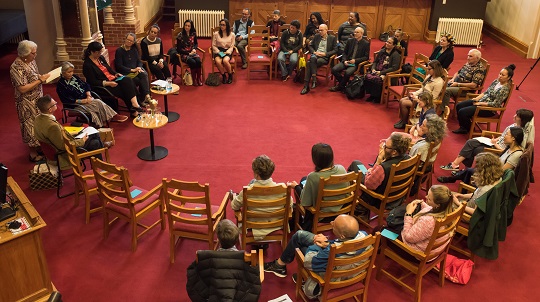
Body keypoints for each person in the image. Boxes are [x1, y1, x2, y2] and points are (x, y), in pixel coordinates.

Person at [263, 215, 368, 283]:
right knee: (300, 236)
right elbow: (341, 245)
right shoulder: (365, 237)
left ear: (342, 236)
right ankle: (280, 265)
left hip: (329, 270)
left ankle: (279, 266)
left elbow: (309, 262)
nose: (331, 223)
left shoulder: (330, 252)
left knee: (300, 243)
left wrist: (318, 245)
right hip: (340, 256)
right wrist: (324, 242)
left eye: (334, 225)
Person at [440, 108, 534, 171]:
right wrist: (497, 139)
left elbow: (507, 151)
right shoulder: (514, 125)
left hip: (498, 150)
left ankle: (461, 169)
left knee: (475, 149)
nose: (514, 116)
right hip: (496, 143)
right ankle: (456, 165)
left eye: (517, 116)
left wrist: (495, 144)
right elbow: (504, 136)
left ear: (522, 120)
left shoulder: (520, 134)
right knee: (471, 142)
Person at [349, 133, 412, 218]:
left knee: (355, 165)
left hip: (378, 199)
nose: (383, 147)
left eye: (385, 146)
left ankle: (361, 208)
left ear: (394, 152)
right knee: (357, 164)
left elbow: (368, 184)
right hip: (398, 197)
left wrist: (378, 161)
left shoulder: (383, 168)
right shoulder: (409, 159)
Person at [33, 95, 105, 170]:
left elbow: (56, 137)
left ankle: (101, 161)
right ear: (50, 109)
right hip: (64, 153)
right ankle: (101, 161)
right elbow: (63, 146)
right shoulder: (52, 126)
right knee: (95, 141)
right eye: (55, 104)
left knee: (93, 135)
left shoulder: (38, 118)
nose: (57, 105)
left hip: (58, 145)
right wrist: (82, 140)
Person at [231, 155, 292, 241]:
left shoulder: (247, 190)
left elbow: (234, 206)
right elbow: (290, 205)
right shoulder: (283, 188)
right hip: (275, 225)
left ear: (256, 174)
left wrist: (235, 197)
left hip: (253, 227)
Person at [10, 40, 50, 162]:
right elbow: (22, 88)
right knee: (29, 126)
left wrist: (41, 77)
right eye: (33, 53)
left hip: (37, 98)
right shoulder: (16, 67)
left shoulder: (30, 61)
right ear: (24, 54)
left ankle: (39, 147)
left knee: (38, 123)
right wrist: (40, 81)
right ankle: (32, 154)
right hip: (26, 102)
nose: (35, 55)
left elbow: (35, 75)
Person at [439, 127, 524, 184]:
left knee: (470, 170)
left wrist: (486, 170)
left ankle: (457, 182)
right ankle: (455, 178)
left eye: (507, 134)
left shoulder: (516, 154)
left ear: (513, 138)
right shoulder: (509, 147)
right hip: (494, 169)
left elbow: (502, 172)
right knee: (470, 170)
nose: (504, 137)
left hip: (496, 178)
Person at [56, 62, 127, 127]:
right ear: (63, 73)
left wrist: (88, 95)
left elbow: (86, 85)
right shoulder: (61, 85)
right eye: (69, 72)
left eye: (72, 71)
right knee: (96, 104)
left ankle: (110, 117)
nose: (71, 73)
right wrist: (84, 101)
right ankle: (102, 122)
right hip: (75, 105)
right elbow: (67, 100)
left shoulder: (74, 77)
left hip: (87, 99)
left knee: (98, 102)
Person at [83, 41, 144, 116]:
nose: (100, 54)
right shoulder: (87, 65)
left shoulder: (100, 58)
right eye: (98, 52)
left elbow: (109, 69)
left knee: (127, 79)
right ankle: (134, 110)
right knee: (124, 89)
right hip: (103, 85)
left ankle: (135, 104)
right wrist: (108, 83)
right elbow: (92, 82)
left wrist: (115, 74)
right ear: (92, 52)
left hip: (112, 79)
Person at [295, 143, 347, 231]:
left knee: (298, 186)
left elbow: (305, 202)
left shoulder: (313, 177)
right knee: (304, 180)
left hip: (322, 215)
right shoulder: (341, 168)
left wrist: (296, 187)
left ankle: (302, 223)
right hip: (343, 210)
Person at [453, 64, 515, 134]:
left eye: (503, 75)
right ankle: (466, 125)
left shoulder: (504, 89)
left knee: (462, 111)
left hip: (488, 109)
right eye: (500, 74)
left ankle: (466, 129)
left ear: (508, 77)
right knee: (459, 105)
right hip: (481, 101)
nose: (500, 76)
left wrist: (480, 103)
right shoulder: (496, 81)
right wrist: (476, 98)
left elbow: (496, 104)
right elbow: (486, 92)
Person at [399, 185, 456, 258]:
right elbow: (432, 210)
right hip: (434, 252)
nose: (425, 197)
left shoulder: (429, 221)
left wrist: (408, 213)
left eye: (429, 198)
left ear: (437, 205)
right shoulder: (450, 212)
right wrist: (422, 204)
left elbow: (408, 237)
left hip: (417, 254)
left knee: (383, 230)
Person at [394, 60, 445, 129]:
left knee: (404, 103)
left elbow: (433, 97)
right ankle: (403, 120)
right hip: (421, 97)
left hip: (427, 103)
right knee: (401, 100)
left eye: (429, 69)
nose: (427, 70)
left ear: (435, 69)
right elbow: (422, 89)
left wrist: (418, 98)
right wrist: (414, 93)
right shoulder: (429, 76)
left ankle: (404, 122)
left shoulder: (439, 82)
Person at [329, 26, 370, 92]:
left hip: (355, 64)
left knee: (347, 73)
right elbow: (344, 52)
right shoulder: (350, 41)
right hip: (347, 61)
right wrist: (344, 60)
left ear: (362, 34)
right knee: (334, 70)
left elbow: (366, 57)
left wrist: (355, 61)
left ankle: (340, 86)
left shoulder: (366, 44)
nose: (355, 34)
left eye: (357, 32)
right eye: (354, 32)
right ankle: (345, 84)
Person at [300, 24, 337, 95]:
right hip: (316, 55)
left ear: (326, 30)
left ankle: (307, 86)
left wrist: (325, 54)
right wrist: (314, 52)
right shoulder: (317, 36)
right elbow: (310, 45)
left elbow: (335, 50)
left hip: (324, 58)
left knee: (309, 62)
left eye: (322, 30)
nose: (320, 32)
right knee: (312, 59)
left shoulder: (332, 38)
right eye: (319, 30)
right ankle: (312, 81)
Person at [114, 33, 151, 103]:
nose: (129, 42)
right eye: (128, 40)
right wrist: (132, 70)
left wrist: (139, 67)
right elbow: (119, 66)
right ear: (125, 39)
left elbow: (139, 61)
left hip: (135, 71)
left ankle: (146, 95)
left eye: (131, 41)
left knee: (143, 74)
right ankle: (141, 100)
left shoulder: (134, 49)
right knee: (139, 80)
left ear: (133, 42)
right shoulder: (119, 51)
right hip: (126, 73)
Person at [363, 36, 401, 103]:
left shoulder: (396, 55)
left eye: (389, 43)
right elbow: (375, 61)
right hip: (377, 70)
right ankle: (372, 95)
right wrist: (373, 69)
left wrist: (381, 72)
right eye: (387, 42)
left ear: (394, 45)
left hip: (387, 73)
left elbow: (394, 68)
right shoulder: (382, 51)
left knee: (377, 79)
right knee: (367, 76)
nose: (387, 43)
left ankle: (377, 97)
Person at [176, 20, 203, 86]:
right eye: (186, 25)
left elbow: (196, 43)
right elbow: (178, 49)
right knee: (192, 62)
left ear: (191, 27)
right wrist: (188, 54)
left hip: (192, 52)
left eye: (188, 26)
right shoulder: (180, 35)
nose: (187, 27)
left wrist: (194, 48)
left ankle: (198, 78)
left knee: (198, 61)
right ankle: (194, 79)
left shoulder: (193, 33)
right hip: (184, 53)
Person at [212, 18, 236, 84]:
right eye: (221, 25)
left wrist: (228, 52)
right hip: (218, 51)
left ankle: (230, 75)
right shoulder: (216, 34)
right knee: (218, 61)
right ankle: (224, 76)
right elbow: (213, 45)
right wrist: (218, 51)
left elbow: (232, 46)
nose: (221, 26)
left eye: (223, 25)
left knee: (225, 61)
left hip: (227, 51)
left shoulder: (232, 34)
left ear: (227, 26)